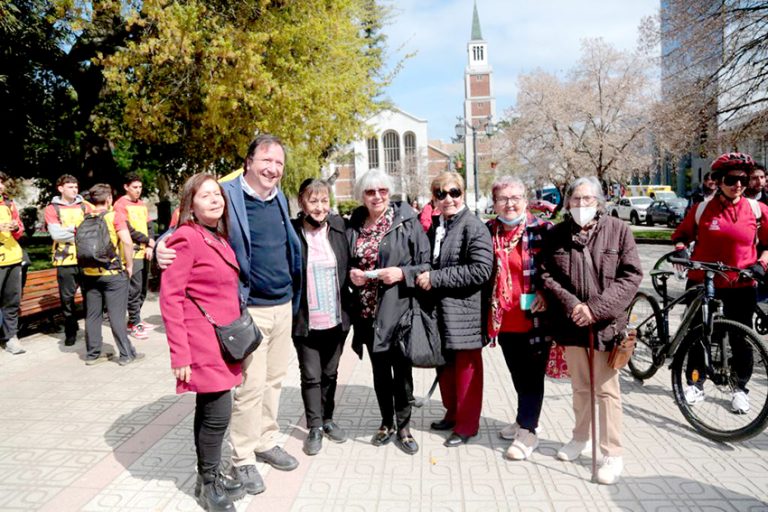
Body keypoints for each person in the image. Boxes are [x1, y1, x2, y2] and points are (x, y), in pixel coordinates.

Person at [157, 134, 302, 495]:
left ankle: (266, 439)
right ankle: (243, 458)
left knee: (274, 379)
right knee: (250, 387)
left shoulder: (280, 198)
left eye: (279, 163)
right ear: (249, 161)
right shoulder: (226, 193)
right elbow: (182, 227)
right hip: (247, 309)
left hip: (282, 303)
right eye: (266, 160)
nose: (273, 168)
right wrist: (159, 245)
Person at [539, 176, 642, 485]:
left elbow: (632, 275)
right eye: (576, 199)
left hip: (607, 326)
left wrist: (594, 308)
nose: (581, 205)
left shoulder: (618, 230)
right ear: (568, 203)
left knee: (607, 391)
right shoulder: (556, 234)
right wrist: (573, 306)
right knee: (581, 387)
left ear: (599, 202)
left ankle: (612, 452)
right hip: (571, 325)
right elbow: (547, 275)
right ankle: (579, 437)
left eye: (588, 199)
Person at [160, 173, 246, 512]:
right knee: (217, 415)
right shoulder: (186, 237)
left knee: (212, 411)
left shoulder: (217, 237)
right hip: (201, 342)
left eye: (218, 194)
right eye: (205, 195)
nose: (215, 199)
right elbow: (170, 298)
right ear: (190, 205)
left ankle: (208, 476)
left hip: (222, 340)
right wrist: (179, 354)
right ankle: (208, 483)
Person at [671, 152, 768, 414]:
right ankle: (695, 383)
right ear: (717, 180)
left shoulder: (758, 210)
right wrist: (681, 249)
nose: (739, 184)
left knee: (741, 338)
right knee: (698, 335)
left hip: (741, 284)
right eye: (732, 179)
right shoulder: (701, 209)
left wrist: (762, 263)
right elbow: (681, 236)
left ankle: (740, 389)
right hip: (702, 281)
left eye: (744, 179)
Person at [347, 170, 430, 455]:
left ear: (390, 192)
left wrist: (402, 273)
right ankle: (386, 423)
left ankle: (404, 427)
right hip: (367, 313)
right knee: (380, 372)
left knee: (401, 372)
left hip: (399, 311)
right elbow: (347, 262)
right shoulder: (354, 225)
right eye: (370, 192)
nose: (377, 196)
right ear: (362, 196)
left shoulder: (407, 222)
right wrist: (352, 276)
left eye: (382, 191)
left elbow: (426, 264)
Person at [416, 172, 493, 447]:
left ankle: (467, 425)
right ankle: (452, 413)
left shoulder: (473, 226)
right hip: (441, 311)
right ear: (433, 198)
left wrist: (436, 279)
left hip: (465, 313)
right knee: (446, 367)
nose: (447, 198)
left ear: (462, 193)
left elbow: (482, 270)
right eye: (440, 193)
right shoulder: (439, 225)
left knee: (466, 370)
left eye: (453, 192)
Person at [485, 176, 553, 460]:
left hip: (535, 318)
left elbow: (559, 268)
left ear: (526, 200)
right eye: (503, 199)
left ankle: (529, 431)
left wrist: (546, 292)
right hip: (504, 319)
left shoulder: (543, 230)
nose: (509, 203)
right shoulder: (489, 231)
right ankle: (521, 417)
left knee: (532, 375)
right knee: (516, 373)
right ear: (495, 203)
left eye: (515, 198)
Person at [291, 178, 351, 456]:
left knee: (330, 373)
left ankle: (328, 419)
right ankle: (314, 426)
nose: (319, 206)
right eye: (313, 201)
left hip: (336, 319)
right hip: (305, 321)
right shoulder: (291, 232)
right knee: (311, 376)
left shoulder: (339, 229)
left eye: (324, 200)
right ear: (302, 202)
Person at [80, 184, 144, 366]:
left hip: (90, 273)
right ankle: (126, 354)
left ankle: (92, 355)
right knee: (116, 315)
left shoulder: (84, 219)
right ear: (108, 199)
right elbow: (127, 241)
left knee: (92, 315)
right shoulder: (114, 217)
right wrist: (129, 265)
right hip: (112, 272)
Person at [44, 174, 91, 346]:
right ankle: (71, 330)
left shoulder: (86, 207)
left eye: (76, 187)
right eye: (70, 187)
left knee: (90, 296)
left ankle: (91, 331)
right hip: (64, 260)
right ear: (61, 188)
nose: (74, 190)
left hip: (86, 258)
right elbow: (57, 234)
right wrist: (79, 232)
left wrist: (70, 231)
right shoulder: (52, 208)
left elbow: (93, 231)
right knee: (67, 298)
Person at [114, 172, 155, 340]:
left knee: (143, 288)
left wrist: (150, 243)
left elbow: (149, 225)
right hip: (132, 252)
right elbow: (128, 229)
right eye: (135, 187)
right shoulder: (120, 205)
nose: (138, 191)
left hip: (145, 251)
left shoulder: (142, 204)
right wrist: (147, 241)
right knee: (134, 290)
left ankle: (135, 320)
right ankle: (134, 324)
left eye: (140, 187)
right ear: (126, 187)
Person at [0, 171, 26, 355]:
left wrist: (16, 227)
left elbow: (20, 228)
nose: (1, 186)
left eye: (0, 182)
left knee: (12, 301)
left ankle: (11, 337)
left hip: (13, 258)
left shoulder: (8, 203)